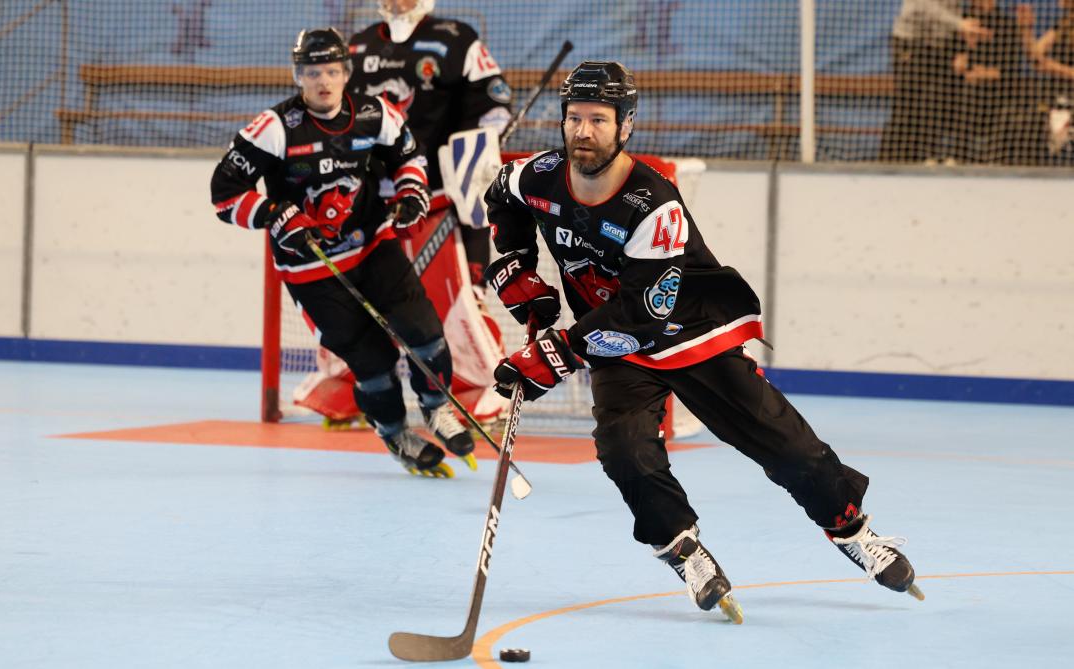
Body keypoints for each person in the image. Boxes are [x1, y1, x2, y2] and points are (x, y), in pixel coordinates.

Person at [483, 61, 923, 621]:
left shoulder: (654, 205)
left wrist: (558, 354)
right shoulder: (537, 175)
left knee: (788, 446)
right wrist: (516, 265)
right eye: (574, 118)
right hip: (614, 346)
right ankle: (682, 549)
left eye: (599, 119)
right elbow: (502, 198)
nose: (583, 132)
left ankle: (851, 530)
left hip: (686, 333)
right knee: (624, 451)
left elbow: (643, 314)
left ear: (625, 125)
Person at [209, 27, 475, 478]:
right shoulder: (274, 128)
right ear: (298, 76)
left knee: (425, 333)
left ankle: (436, 407)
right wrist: (275, 213)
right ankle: (395, 432)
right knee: (372, 361)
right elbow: (224, 193)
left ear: (347, 73)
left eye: (332, 71)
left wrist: (411, 193)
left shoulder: (375, 113)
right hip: (311, 268)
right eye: (313, 73)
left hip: (373, 245)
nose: (324, 81)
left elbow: (408, 158)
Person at [347, 0, 513, 286]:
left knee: (461, 298)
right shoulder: (358, 45)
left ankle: (474, 289)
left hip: (443, 198)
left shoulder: (457, 39)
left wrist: (472, 150)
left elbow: (495, 104)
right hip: (377, 200)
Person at [880, 0, 993, 163]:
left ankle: (926, 157)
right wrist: (959, 23)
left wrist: (965, 36)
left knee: (933, 103)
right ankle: (890, 162)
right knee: (907, 106)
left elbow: (956, 10)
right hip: (910, 41)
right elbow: (926, 6)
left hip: (939, 45)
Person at [950, 0, 1032, 163]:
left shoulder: (1006, 24)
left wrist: (986, 73)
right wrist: (966, 55)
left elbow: (1010, 69)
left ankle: (995, 160)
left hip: (1000, 93)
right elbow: (957, 64)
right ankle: (959, 159)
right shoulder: (962, 21)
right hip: (968, 92)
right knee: (966, 93)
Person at [1020, 1, 1074, 158]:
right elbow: (1035, 56)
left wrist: (1053, 67)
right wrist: (1026, 29)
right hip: (1055, 95)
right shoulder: (1063, 24)